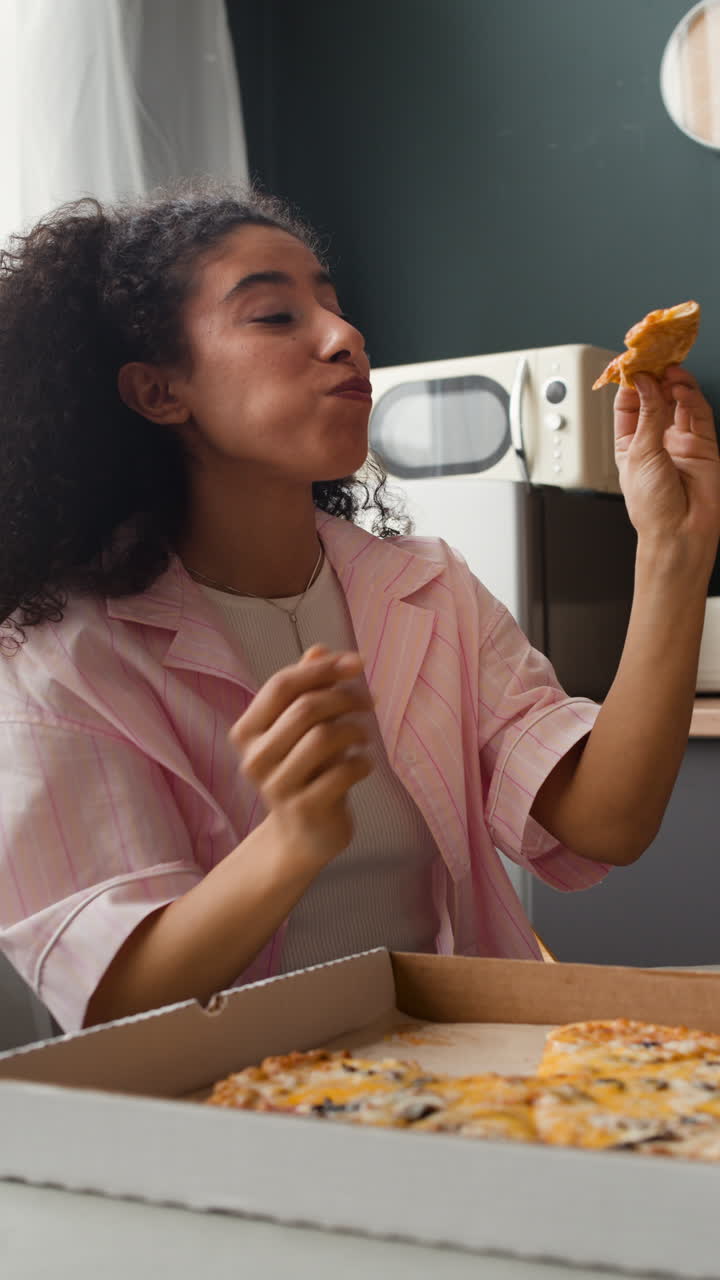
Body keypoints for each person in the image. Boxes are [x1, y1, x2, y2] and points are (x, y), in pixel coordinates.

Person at [0, 184, 718, 1034]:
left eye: (336, 308)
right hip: (236, 1121)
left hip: (468, 1082)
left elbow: (606, 821)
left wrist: (672, 549)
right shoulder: (58, 659)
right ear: (160, 392)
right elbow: (114, 1001)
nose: (346, 339)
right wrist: (291, 840)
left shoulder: (427, 586)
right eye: (274, 317)